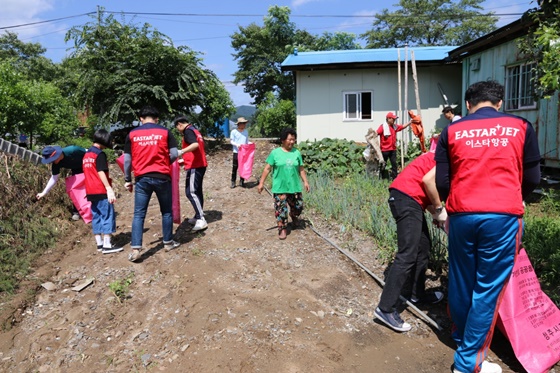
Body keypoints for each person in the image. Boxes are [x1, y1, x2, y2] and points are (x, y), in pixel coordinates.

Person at [435, 80, 541, 373]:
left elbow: (443, 182)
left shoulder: (452, 131)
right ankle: (468, 363)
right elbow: (533, 177)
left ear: (468, 105)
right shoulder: (520, 126)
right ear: (499, 103)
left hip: (462, 214)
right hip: (502, 216)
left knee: (460, 279)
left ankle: (461, 335)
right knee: (488, 288)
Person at [374, 150, 446, 333]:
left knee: (423, 248)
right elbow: (428, 182)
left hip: (408, 198)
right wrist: (439, 209)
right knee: (407, 254)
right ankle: (385, 308)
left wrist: (436, 214)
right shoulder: (448, 157)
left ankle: (416, 294)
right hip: (406, 199)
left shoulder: (439, 155)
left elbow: (425, 191)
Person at [124, 106, 181, 262]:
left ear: (141, 118)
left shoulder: (132, 134)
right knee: (166, 211)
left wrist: (127, 179)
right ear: (157, 119)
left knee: (139, 214)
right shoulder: (165, 132)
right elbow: (175, 154)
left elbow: (127, 160)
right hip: (162, 177)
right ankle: (168, 242)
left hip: (142, 179)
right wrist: (164, 162)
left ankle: (136, 249)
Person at [257, 127, 310, 240]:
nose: (292, 142)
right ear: (283, 140)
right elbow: (267, 169)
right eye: (289, 139)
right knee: (281, 209)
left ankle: (294, 215)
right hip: (280, 187)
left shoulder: (297, 153)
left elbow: (301, 168)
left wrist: (305, 181)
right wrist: (261, 183)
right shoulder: (275, 153)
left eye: (293, 139)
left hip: (294, 186)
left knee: (298, 206)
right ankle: (282, 228)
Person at [83, 129, 123, 254]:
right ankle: (107, 245)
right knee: (107, 214)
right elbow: (100, 172)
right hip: (100, 189)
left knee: (96, 216)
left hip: (90, 190)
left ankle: (99, 244)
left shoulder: (87, 154)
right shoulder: (99, 154)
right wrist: (108, 188)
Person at [174, 116, 208, 231]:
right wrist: (184, 160)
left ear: (179, 124)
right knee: (197, 191)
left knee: (190, 192)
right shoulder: (195, 130)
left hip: (196, 166)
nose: (179, 130)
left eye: (177, 128)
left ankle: (201, 218)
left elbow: (195, 145)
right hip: (200, 164)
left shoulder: (188, 131)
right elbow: (198, 150)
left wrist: (181, 152)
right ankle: (198, 215)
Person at [37, 144, 87, 221]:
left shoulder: (72, 150)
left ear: (57, 155)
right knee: (74, 189)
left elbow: (90, 153)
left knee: (91, 187)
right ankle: (77, 212)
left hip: (88, 165)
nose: (52, 162)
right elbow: (54, 178)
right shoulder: (56, 164)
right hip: (77, 170)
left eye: (52, 160)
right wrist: (43, 193)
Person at [376, 112, 411, 179]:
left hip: (393, 149)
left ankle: (394, 178)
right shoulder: (382, 127)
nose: (394, 120)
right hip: (384, 150)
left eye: (394, 119)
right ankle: (381, 177)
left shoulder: (394, 127)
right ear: (388, 119)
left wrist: (410, 122)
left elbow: (402, 126)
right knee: (383, 164)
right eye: (393, 119)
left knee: (394, 164)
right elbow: (376, 133)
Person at [230, 117, 249, 188]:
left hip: (244, 152)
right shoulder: (234, 132)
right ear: (239, 124)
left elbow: (246, 141)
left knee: (243, 167)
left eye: (245, 123)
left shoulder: (246, 132)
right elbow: (231, 141)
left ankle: (242, 181)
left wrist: (250, 144)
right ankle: (233, 181)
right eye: (243, 123)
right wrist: (236, 145)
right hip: (236, 152)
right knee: (235, 167)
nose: (244, 125)